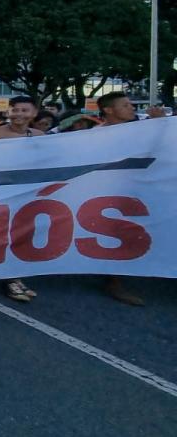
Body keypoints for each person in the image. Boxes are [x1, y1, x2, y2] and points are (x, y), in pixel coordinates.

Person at [0, 95, 42, 303]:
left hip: (28, 192)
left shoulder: (41, 135)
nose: (19, 114)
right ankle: (4, 276)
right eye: (15, 110)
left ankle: (14, 276)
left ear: (34, 113)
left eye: (24, 110)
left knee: (23, 233)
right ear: (8, 112)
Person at [96, 92, 146, 306]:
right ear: (109, 110)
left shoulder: (142, 129)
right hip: (111, 191)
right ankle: (113, 281)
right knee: (116, 233)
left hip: (138, 188)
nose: (131, 108)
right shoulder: (96, 135)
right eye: (125, 105)